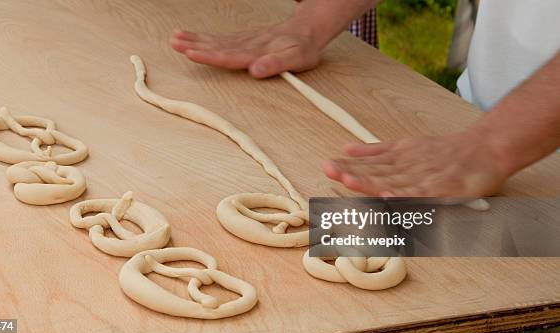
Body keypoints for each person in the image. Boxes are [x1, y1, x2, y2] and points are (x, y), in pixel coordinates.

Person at [170, 0, 560, 199]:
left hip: (506, 148)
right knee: (329, 233)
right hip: (470, 132)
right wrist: (312, 22)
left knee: (341, 236)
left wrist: (496, 144)